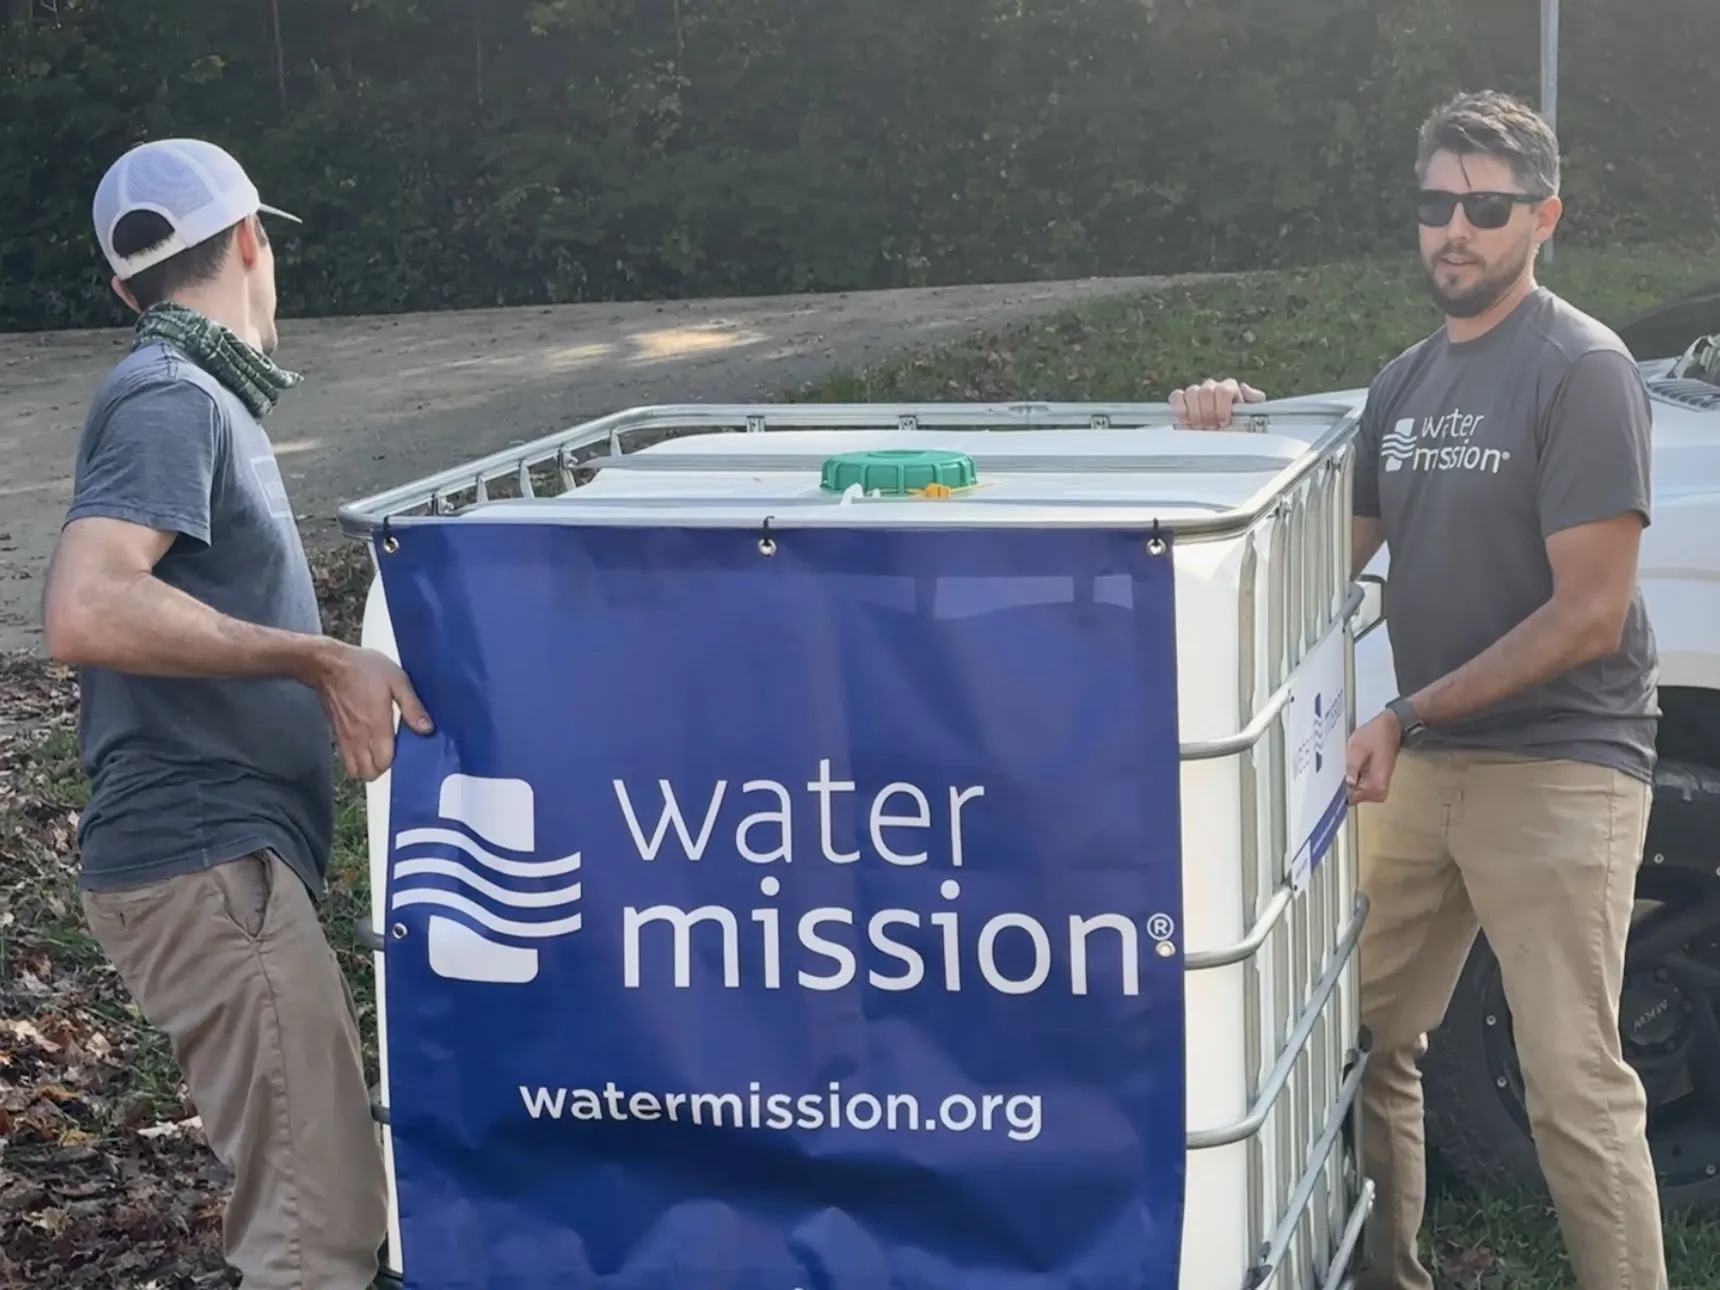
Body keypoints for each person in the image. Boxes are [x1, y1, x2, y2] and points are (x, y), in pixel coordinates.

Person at [1171, 92, 1665, 1290]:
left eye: (1485, 208)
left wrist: (1405, 712)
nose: (1455, 229)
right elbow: (1305, 568)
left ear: (1540, 218)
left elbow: (1587, 612)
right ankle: (1389, 1274)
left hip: (1562, 761)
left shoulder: (1581, 370)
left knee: (1572, 1087)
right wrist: (1223, 443)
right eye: (1435, 204)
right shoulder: (1402, 384)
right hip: (1424, 764)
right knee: (1357, 1045)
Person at [40, 138, 434, 1290]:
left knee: (325, 1213)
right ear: (254, 239)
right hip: (208, 858)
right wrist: (318, 660)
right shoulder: (172, 395)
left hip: (223, 862)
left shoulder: (195, 393)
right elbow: (86, 604)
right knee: (317, 1241)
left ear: (125, 285)